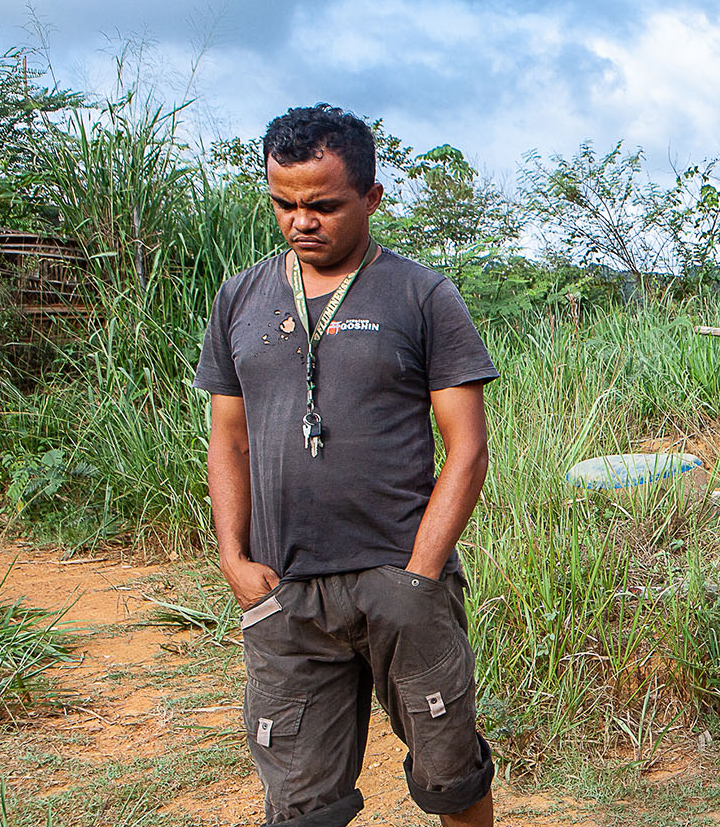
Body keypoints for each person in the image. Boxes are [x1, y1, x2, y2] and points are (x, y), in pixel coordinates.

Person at [196, 104, 500, 827]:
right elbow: (228, 439)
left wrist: (421, 574)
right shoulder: (240, 297)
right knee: (301, 805)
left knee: (452, 776)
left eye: (324, 205)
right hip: (287, 594)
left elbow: (468, 446)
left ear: (371, 197)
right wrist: (233, 559)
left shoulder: (421, 295)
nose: (302, 221)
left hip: (400, 582)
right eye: (284, 203)